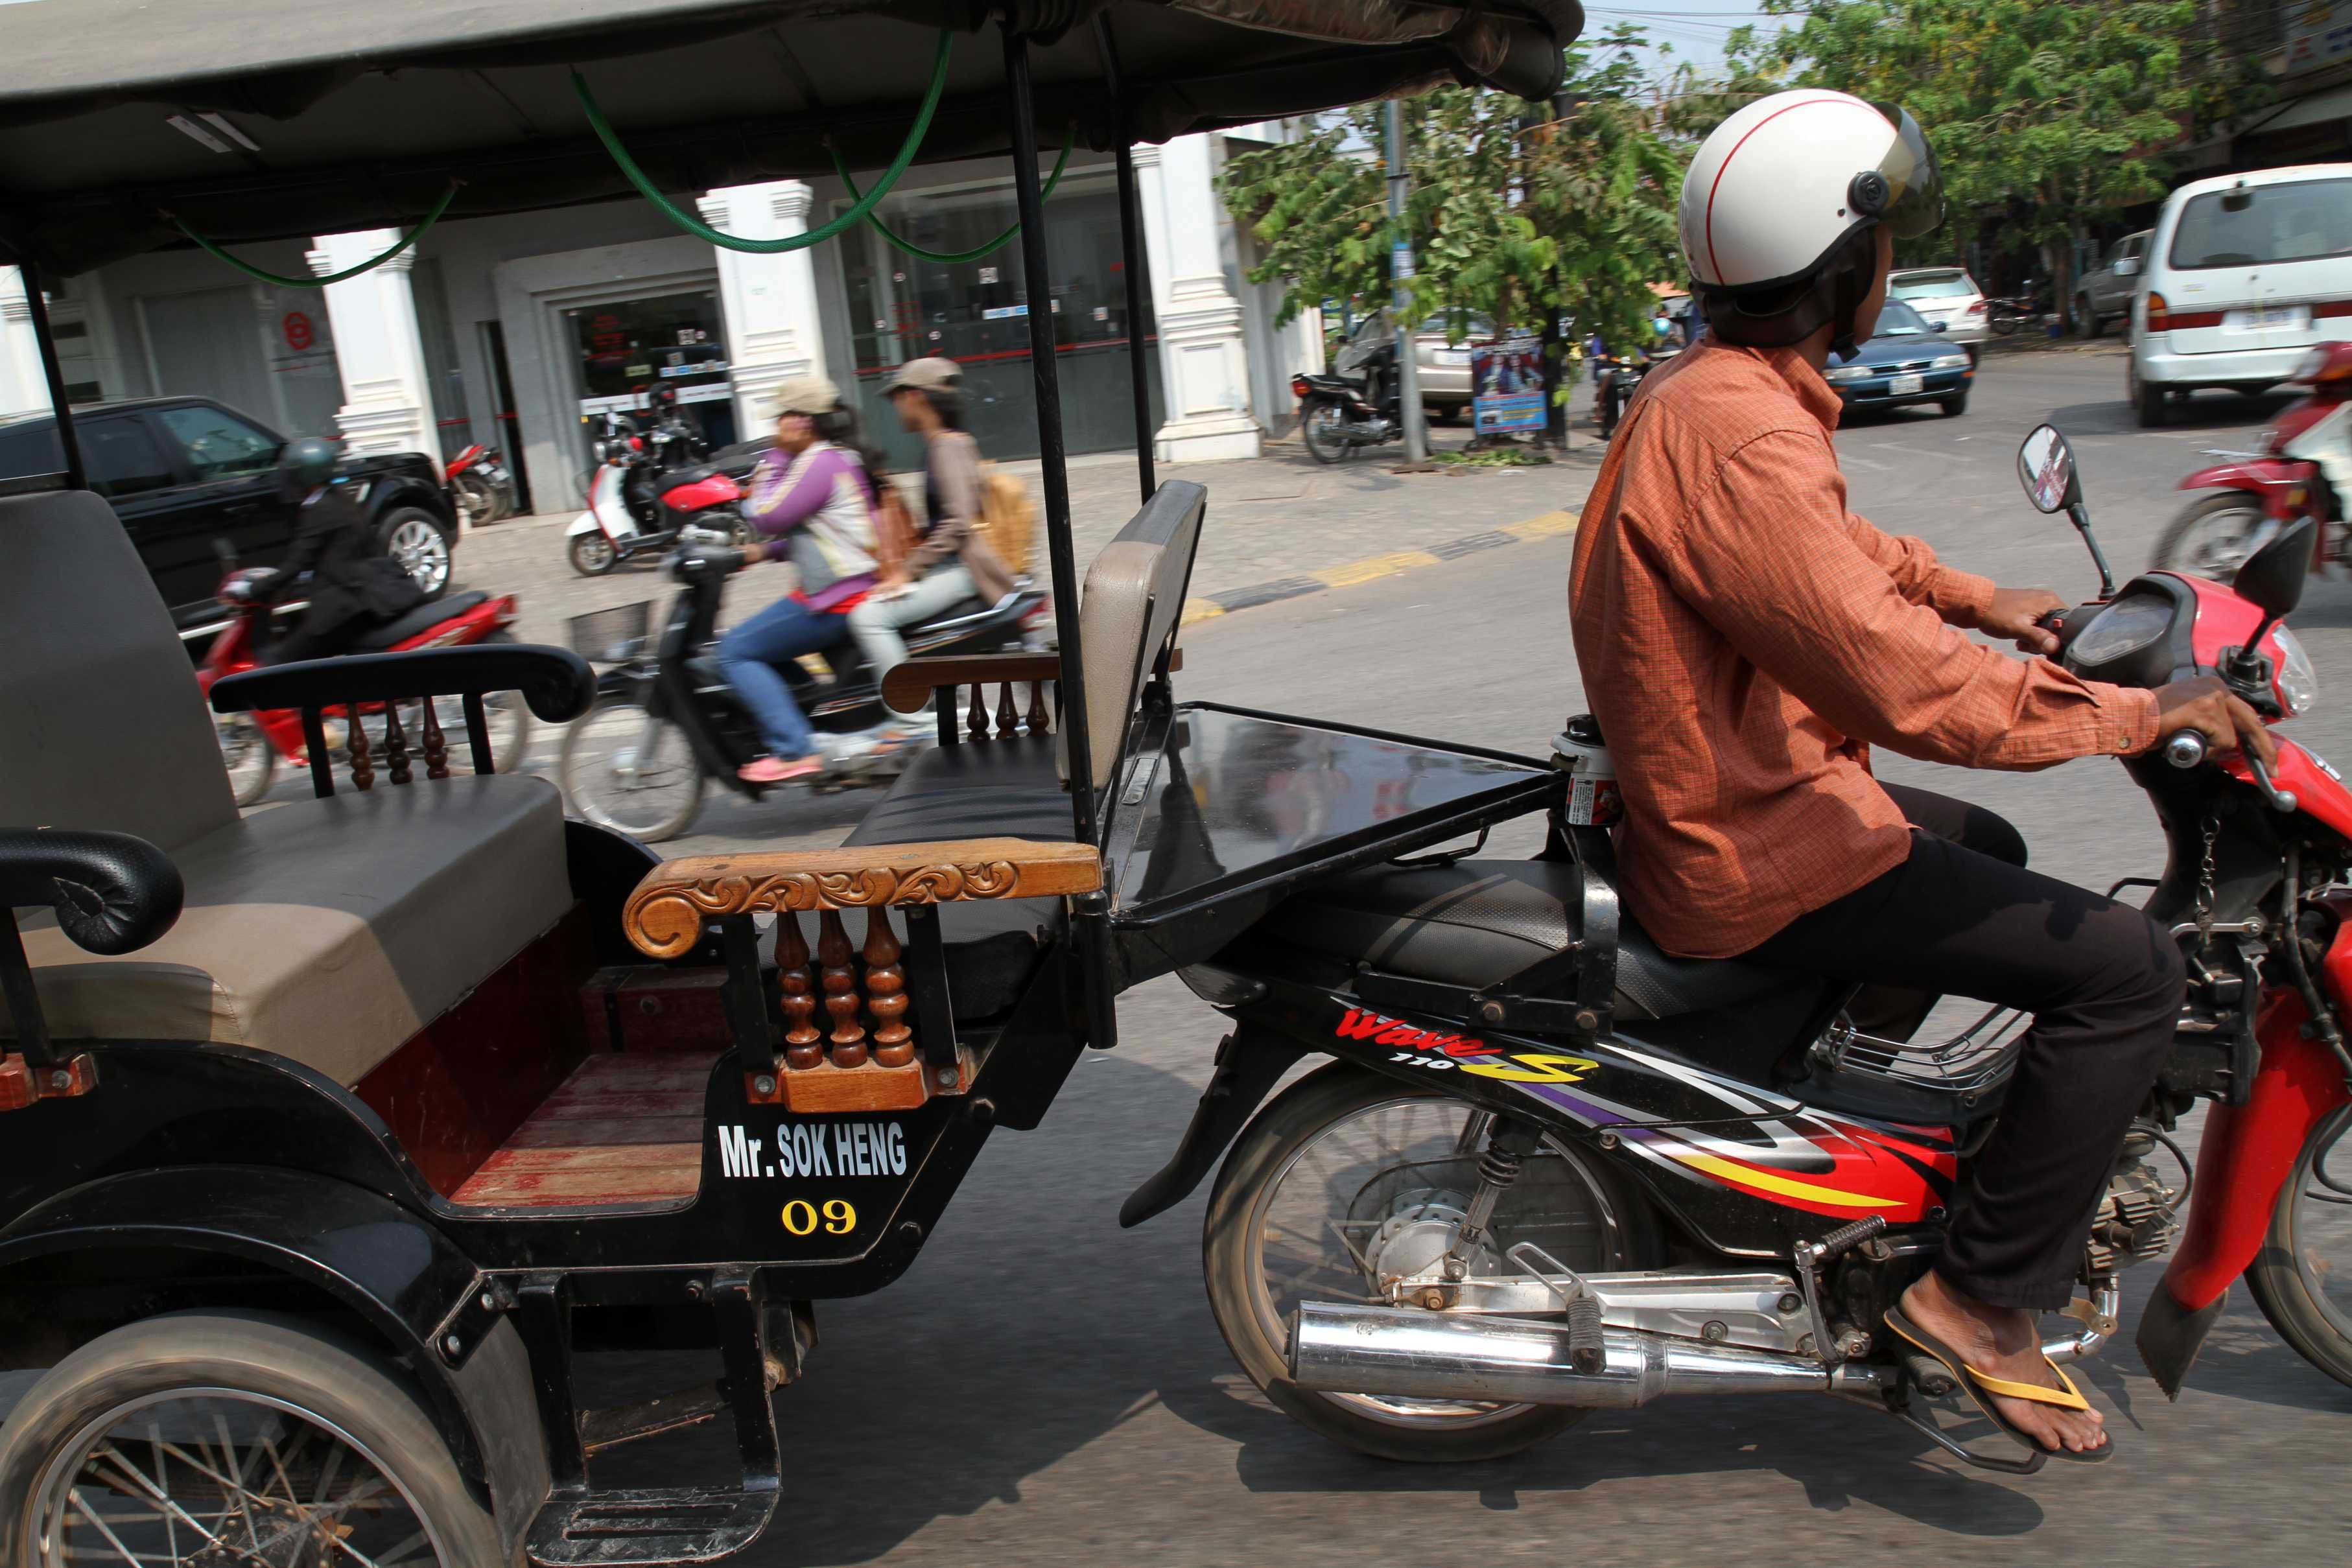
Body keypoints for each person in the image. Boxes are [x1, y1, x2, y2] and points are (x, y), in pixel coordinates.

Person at [1568, 89, 2275, 1462]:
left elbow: (1831, 557)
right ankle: (1979, 1293)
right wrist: (2131, 715)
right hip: (1752, 840)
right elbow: (1905, 690)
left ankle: (1831, 1156)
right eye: (1884, 254)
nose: (1890, 277)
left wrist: (1979, 594)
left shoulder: (1719, 396)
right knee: (2127, 968)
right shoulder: (1739, 428)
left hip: (1755, 801)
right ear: (1843, 264)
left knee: (1990, 853)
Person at [715, 375, 890, 784]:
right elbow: (817, 531)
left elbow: (766, 513)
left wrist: (775, 456)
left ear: (802, 421)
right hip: (848, 586)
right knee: (765, 644)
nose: (776, 430)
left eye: (781, 420)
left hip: (838, 597)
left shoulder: (817, 460)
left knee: (734, 650)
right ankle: (811, 720)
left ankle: (794, 748)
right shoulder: (836, 457)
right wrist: (761, 552)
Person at [847, 357, 1016, 683]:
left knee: (868, 618)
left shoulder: (945, 448)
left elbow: (957, 521)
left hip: (963, 569)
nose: (896, 408)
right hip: (955, 565)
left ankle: (910, 718)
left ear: (915, 397)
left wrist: (907, 572)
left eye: (897, 398)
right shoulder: (951, 442)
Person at [231, 436, 423, 664]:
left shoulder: (319, 511)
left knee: (278, 663)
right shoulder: (341, 498)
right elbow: (333, 554)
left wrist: (253, 589)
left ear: (303, 476)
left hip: (341, 609)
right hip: (359, 598)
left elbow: (296, 564)